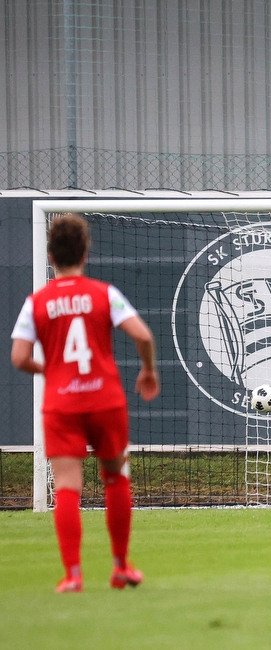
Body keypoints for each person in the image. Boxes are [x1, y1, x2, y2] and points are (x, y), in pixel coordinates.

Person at [10, 212, 160, 593]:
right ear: (86, 251)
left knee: (66, 487)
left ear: (49, 256)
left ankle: (73, 575)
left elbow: (19, 357)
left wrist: (52, 369)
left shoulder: (36, 302)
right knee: (115, 479)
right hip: (104, 399)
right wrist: (148, 371)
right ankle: (121, 566)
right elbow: (143, 335)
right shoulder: (103, 294)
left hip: (62, 405)